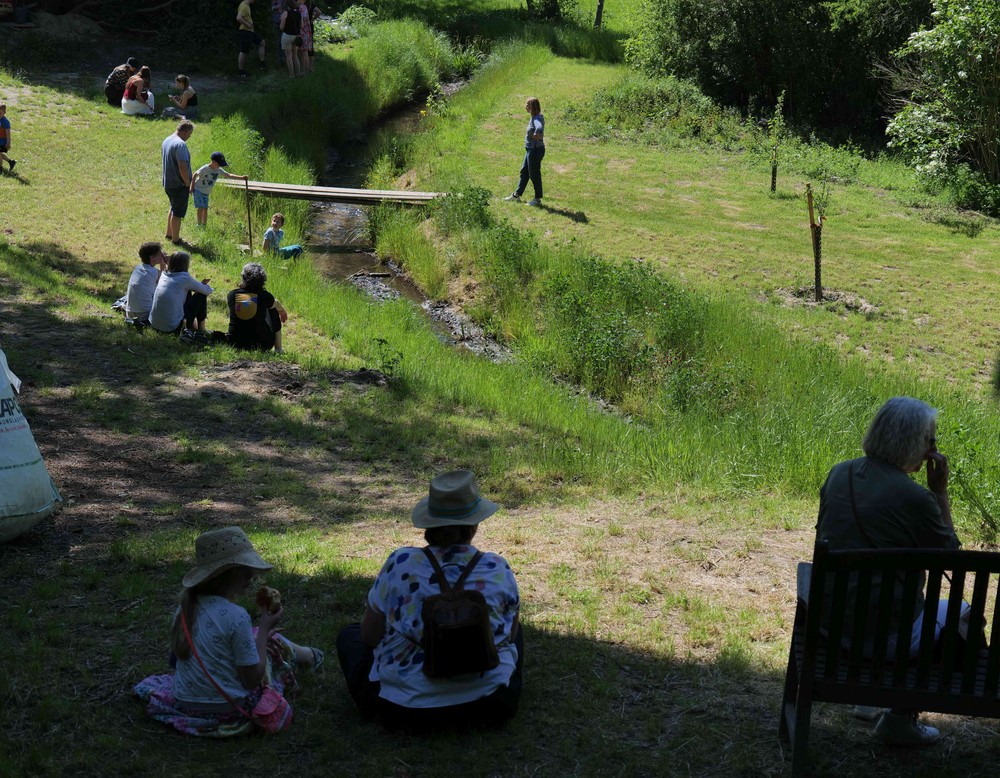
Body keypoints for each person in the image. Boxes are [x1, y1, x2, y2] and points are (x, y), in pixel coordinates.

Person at [816, 396, 963, 746]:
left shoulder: (839, 474)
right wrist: (939, 492)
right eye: (931, 441)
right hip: (888, 639)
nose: (933, 449)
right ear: (915, 444)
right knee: (963, 616)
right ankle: (900, 717)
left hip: (830, 626)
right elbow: (952, 559)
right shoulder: (917, 499)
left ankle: (870, 697)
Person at [336, 470, 522, 732]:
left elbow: (369, 635)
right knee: (515, 627)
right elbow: (510, 635)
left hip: (405, 710)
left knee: (350, 636)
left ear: (429, 525)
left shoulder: (400, 564)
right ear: (474, 525)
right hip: (491, 704)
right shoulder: (497, 567)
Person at [133, 526, 323, 737]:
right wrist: (264, 631)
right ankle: (309, 656)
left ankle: (308, 655)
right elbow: (251, 680)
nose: (252, 574)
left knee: (255, 636)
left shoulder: (184, 608)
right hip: (228, 708)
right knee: (265, 640)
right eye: (245, 568)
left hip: (185, 702)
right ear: (227, 574)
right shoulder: (237, 615)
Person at [227, 263, 288, 353]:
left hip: (235, 343)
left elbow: (246, 304)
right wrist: (282, 311)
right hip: (261, 345)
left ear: (243, 278)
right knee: (273, 309)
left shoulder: (232, 295)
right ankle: (278, 349)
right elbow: (276, 303)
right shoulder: (264, 296)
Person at [149, 251, 214, 334]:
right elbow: (207, 291)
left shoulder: (164, 274)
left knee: (187, 290)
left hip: (154, 323)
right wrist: (203, 285)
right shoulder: (184, 278)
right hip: (172, 327)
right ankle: (201, 328)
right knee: (201, 294)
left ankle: (196, 326)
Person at [503, 97, 545, 207]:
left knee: (534, 174)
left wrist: (537, 132)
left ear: (532, 107)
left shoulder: (537, 119)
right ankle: (516, 195)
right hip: (530, 150)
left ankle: (537, 199)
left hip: (535, 150)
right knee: (524, 172)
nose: (525, 106)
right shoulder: (535, 117)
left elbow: (539, 127)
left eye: (527, 105)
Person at [190, 151, 248, 228]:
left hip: (206, 192)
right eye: (219, 164)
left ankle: (204, 225)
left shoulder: (218, 170)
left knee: (205, 208)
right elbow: (195, 175)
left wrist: (242, 178)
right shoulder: (205, 168)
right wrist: (192, 186)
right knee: (200, 207)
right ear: (213, 162)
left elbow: (228, 175)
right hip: (198, 190)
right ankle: (199, 224)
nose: (220, 166)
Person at [162, 121, 195, 245]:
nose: (189, 137)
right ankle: (176, 239)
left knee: (173, 207)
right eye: (189, 134)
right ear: (185, 131)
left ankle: (169, 234)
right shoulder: (180, 145)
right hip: (178, 184)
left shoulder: (167, 140)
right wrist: (187, 182)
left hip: (168, 183)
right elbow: (182, 166)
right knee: (178, 212)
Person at [125, 242, 168, 323]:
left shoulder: (138, 268)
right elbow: (164, 283)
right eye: (160, 254)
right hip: (144, 315)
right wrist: (163, 264)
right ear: (152, 258)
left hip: (130, 313)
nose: (162, 255)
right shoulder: (154, 272)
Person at [236, 0, 267, 78]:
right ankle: (241, 71)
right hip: (245, 31)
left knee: (262, 43)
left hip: (250, 31)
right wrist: (247, 24)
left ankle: (262, 64)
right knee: (243, 51)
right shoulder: (244, 6)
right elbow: (238, 18)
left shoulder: (246, 5)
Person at [279, 0, 302, 78]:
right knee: (295, 55)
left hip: (287, 36)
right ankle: (298, 73)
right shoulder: (299, 13)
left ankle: (291, 75)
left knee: (289, 56)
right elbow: (301, 26)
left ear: (287, 5)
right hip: (296, 36)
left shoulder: (285, 13)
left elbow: (281, 27)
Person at [0, 104, 14, 174]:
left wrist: (8, 143)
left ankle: (0, 168)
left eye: (0, 113)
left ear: (4, 112)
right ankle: (11, 162)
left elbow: (8, 134)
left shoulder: (5, 122)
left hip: (2, 142)